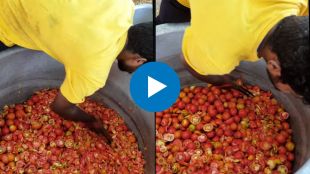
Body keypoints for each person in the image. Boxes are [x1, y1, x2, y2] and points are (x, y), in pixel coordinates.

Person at [0, 0, 154, 143]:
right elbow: (60, 107)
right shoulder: (94, 71)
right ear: (139, 60)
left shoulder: (124, 6)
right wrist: (91, 120)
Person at [157, 0, 310, 103]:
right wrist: (220, 80)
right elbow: (186, 60)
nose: (288, 94)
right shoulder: (216, 53)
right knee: (169, 20)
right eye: (290, 92)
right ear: (274, 67)